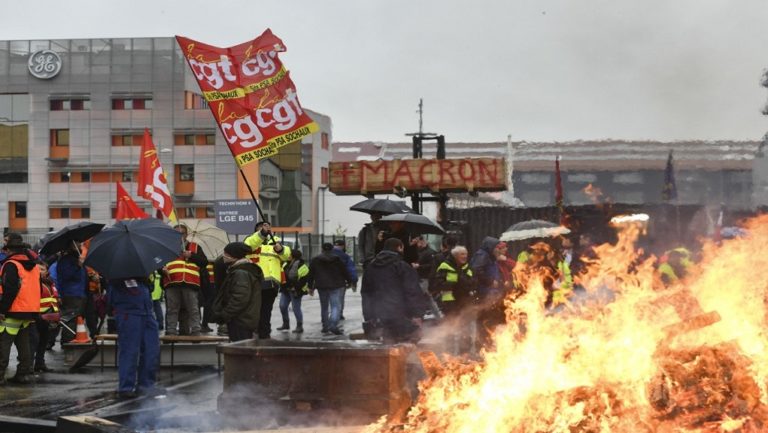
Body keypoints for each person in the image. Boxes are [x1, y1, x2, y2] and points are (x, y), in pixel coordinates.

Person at [361, 238, 429, 343]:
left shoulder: (370, 267)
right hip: (400, 314)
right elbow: (412, 291)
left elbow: (366, 293)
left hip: (379, 315)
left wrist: (368, 316)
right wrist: (417, 314)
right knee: (405, 345)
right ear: (399, 247)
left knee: (388, 347)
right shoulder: (402, 266)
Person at [106, 276, 161, 399]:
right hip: (129, 314)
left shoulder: (141, 277)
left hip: (146, 313)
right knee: (129, 351)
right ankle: (126, 388)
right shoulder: (117, 277)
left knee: (151, 350)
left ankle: (146, 386)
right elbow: (111, 299)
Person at [0, 233, 42, 384]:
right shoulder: (33, 265)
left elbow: (10, 289)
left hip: (13, 310)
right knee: (24, 343)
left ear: (9, 249)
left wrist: (2, 310)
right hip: (29, 310)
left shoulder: (11, 264)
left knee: (3, 343)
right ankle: (23, 374)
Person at [244, 221, 291, 339]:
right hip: (255, 281)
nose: (265, 229)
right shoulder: (251, 240)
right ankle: (256, 331)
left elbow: (286, 256)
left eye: (267, 227)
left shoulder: (276, 241)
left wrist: (280, 250)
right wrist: (262, 234)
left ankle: (264, 334)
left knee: (266, 311)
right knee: (255, 310)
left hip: (271, 283)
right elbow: (249, 245)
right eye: (262, 228)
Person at [212, 242, 263, 342]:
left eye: (226, 254)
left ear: (234, 256)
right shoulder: (239, 270)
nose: (224, 256)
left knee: (241, 352)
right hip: (242, 320)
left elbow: (239, 299)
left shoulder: (241, 273)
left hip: (241, 321)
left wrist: (225, 314)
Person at [162, 224, 207, 336]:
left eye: (182, 233)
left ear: (186, 234)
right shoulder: (167, 247)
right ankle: (171, 331)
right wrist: (161, 269)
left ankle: (196, 331)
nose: (179, 236)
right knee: (172, 309)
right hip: (171, 281)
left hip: (190, 282)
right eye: (176, 233)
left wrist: (191, 256)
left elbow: (204, 262)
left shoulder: (195, 247)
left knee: (193, 309)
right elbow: (159, 263)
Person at [308, 243, 352, 335]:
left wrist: (310, 287)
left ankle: (325, 326)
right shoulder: (337, 259)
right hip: (336, 285)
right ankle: (333, 325)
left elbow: (311, 274)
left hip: (321, 285)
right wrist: (349, 281)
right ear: (332, 249)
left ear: (322, 249)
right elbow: (344, 271)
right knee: (335, 306)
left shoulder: (315, 260)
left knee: (324, 307)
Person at [55, 242, 88, 345]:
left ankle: (74, 339)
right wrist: (78, 266)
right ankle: (67, 342)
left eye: (80, 244)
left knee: (77, 319)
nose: (80, 246)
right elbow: (66, 275)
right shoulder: (65, 261)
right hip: (71, 294)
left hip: (80, 294)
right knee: (70, 319)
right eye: (77, 245)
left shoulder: (77, 259)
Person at [29, 261, 59, 373]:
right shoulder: (34, 283)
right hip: (37, 316)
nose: (40, 272)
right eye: (38, 269)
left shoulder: (50, 283)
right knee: (34, 342)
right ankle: (29, 366)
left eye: (42, 269)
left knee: (43, 341)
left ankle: (40, 364)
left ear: (47, 271)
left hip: (48, 317)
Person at [432, 245, 477, 316]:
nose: (465, 256)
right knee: (452, 323)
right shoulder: (445, 266)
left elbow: (473, 280)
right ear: (455, 255)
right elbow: (438, 284)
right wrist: (455, 284)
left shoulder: (467, 267)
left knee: (466, 323)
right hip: (450, 302)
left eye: (466, 254)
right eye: (462, 254)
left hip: (465, 300)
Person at [277, 249, 310, 334]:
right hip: (286, 289)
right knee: (282, 306)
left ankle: (299, 326)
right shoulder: (285, 264)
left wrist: (295, 288)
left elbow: (303, 280)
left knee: (296, 308)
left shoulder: (302, 266)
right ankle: (286, 323)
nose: (288, 256)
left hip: (296, 291)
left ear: (293, 256)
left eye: (289, 255)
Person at [332, 239, 358, 321]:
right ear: (343, 246)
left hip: (326, 282)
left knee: (329, 300)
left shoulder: (325, 255)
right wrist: (353, 281)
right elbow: (351, 270)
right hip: (340, 282)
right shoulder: (345, 256)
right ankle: (339, 315)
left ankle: (328, 316)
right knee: (340, 299)